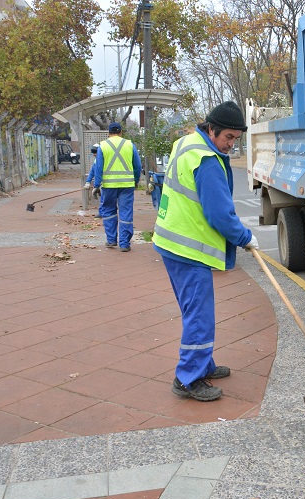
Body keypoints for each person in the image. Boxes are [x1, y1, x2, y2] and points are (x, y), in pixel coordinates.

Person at [152, 101, 258, 402]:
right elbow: (220, 215)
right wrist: (245, 237)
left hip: (172, 241)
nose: (231, 144)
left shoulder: (187, 142)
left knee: (194, 311)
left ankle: (203, 363)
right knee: (199, 316)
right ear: (211, 129)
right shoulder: (207, 160)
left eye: (236, 139)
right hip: (187, 247)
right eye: (228, 138)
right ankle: (188, 378)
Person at [93, 122, 142, 251]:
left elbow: (98, 168)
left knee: (108, 211)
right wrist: (136, 180)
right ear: (121, 132)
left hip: (109, 185)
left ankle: (111, 240)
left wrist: (96, 185)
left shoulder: (103, 146)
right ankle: (124, 243)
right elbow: (137, 166)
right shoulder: (130, 145)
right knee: (126, 212)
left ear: (109, 133)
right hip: (127, 185)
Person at [83, 144, 103, 218]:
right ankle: (102, 213)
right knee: (103, 199)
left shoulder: (101, 160)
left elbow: (97, 173)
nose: (94, 154)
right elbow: (92, 172)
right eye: (93, 152)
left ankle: (102, 213)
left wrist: (96, 185)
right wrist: (88, 182)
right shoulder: (96, 161)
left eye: (96, 152)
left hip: (105, 183)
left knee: (104, 199)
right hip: (102, 183)